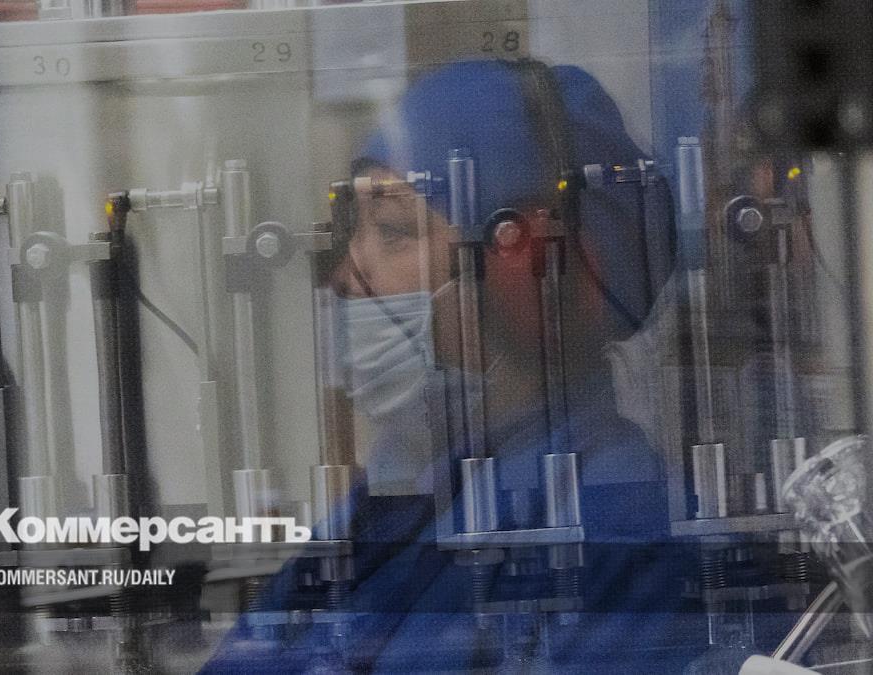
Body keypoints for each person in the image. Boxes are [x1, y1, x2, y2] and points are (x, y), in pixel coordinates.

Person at [203, 58, 706, 673]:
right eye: (355, 231)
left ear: (524, 271)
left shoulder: (621, 539)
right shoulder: (398, 496)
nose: (346, 277)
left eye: (392, 232)